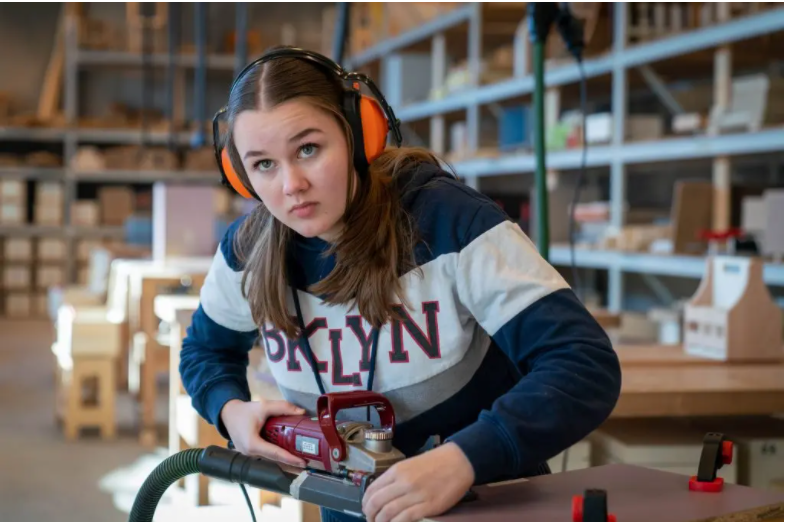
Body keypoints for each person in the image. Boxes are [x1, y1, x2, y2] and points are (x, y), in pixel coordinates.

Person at [179, 46, 621, 522]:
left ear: (358, 134)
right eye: (264, 164)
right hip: (352, 509)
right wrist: (230, 411)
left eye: (308, 149)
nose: (291, 185)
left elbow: (582, 364)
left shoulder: (450, 222)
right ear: (240, 174)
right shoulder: (250, 249)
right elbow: (205, 351)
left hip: (483, 502)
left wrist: (465, 459)